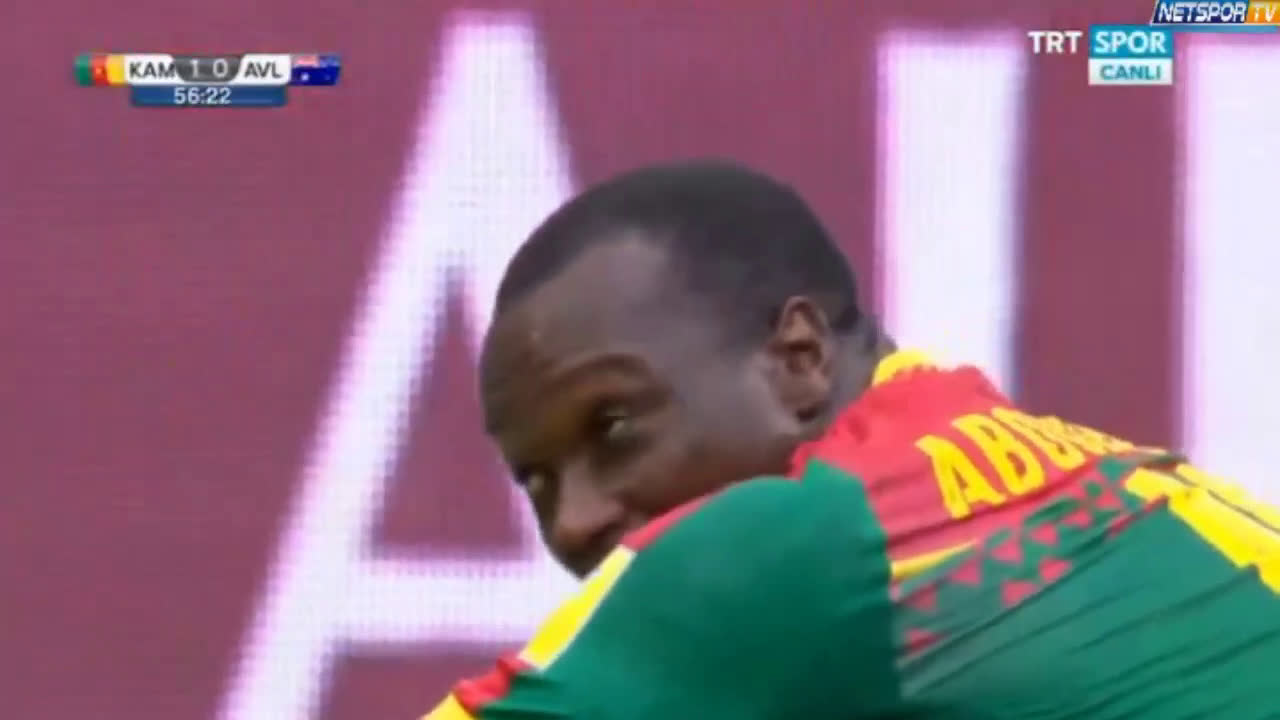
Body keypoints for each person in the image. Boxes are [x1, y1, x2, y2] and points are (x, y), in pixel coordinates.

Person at [421, 161, 1279, 719]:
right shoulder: (1131, 484)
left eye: (614, 427)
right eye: (536, 482)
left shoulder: (786, 548)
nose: (573, 521)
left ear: (797, 359)